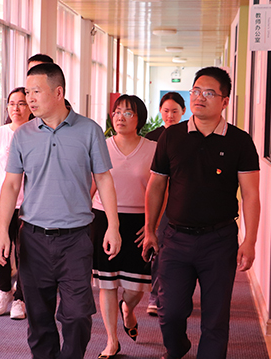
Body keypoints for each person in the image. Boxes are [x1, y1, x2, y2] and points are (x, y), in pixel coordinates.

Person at [0, 63, 122, 359]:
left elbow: (104, 179)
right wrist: (2, 233)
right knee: (39, 318)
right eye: (27, 92)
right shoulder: (23, 134)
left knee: (77, 315)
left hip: (76, 239)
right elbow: (10, 185)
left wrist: (113, 226)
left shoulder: (89, 130)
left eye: (36, 92)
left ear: (58, 92)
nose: (29, 99)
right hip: (33, 239)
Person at [142, 67, 260, 359]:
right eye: (195, 91)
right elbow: (156, 186)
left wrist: (250, 241)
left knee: (215, 319)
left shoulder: (240, 141)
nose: (199, 97)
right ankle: (178, 347)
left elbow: (250, 194)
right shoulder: (172, 137)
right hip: (175, 238)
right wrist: (150, 230)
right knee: (170, 312)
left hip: (219, 240)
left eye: (209, 93)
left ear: (224, 101)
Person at [91, 95, 156, 358]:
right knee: (107, 283)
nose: (120, 117)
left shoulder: (153, 149)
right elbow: (91, 185)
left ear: (139, 119)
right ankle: (111, 340)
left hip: (139, 223)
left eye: (128, 113)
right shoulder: (101, 147)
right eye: (117, 112)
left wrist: (152, 225)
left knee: (135, 287)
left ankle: (127, 309)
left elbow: (160, 191)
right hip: (104, 219)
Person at [0, 87, 32, 320]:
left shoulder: (37, 133)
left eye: (21, 103)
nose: (16, 108)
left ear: (30, 107)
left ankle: (20, 297)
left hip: (30, 205)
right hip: (1, 203)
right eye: (12, 103)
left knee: (26, 253)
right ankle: (4, 290)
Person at [144, 92, 186, 316]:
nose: (170, 115)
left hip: (179, 202)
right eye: (166, 111)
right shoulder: (152, 138)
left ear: (183, 112)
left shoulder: (188, 136)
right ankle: (156, 294)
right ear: (160, 111)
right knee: (158, 247)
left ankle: (176, 294)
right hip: (158, 202)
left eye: (175, 111)